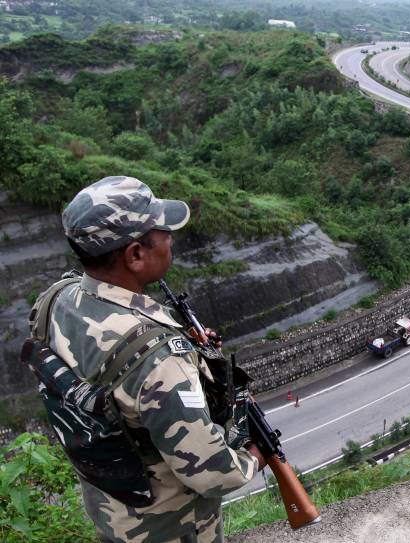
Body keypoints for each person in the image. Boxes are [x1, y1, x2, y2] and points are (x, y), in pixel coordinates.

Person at [33, 176, 266, 542]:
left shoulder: (55, 300)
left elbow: (106, 367)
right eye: (163, 233)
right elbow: (215, 473)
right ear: (136, 255)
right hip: (170, 528)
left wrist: (189, 355)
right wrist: (253, 456)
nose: (170, 239)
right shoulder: (159, 359)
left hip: (112, 513)